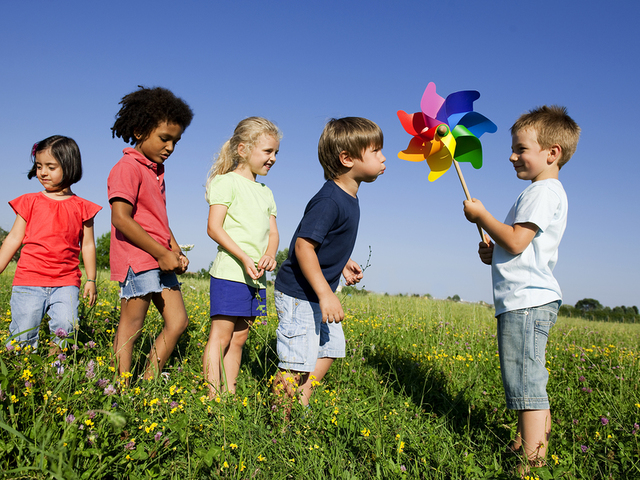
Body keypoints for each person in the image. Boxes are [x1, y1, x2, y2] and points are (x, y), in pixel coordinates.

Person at [463, 106, 580, 473]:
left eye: (520, 148)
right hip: (527, 298)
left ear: (552, 152)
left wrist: (483, 217)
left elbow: (515, 242)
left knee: (525, 381)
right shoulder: (542, 192)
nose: (512, 156)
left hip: (526, 300)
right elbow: (515, 246)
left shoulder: (542, 193)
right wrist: (492, 249)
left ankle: (531, 462)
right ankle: (527, 442)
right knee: (528, 375)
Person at [273, 117, 385, 410]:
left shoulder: (348, 197)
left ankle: (301, 399)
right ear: (347, 158)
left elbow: (320, 241)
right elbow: (302, 246)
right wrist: (326, 293)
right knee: (295, 362)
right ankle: (276, 423)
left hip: (316, 292)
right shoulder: (330, 200)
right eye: (375, 151)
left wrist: (344, 260)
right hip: (300, 294)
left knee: (332, 348)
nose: (383, 157)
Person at [108, 86, 193, 381]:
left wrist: (175, 249)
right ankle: (120, 387)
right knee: (132, 326)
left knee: (178, 321)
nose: (170, 147)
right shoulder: (127, 167)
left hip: (160, 258)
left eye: (176, 141)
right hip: (139, 259)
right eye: (164, 138)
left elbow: (158, 220)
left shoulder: (155, 171)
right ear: (140, 130)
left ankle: (149, 381)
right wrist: (161, 252)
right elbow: (121, 219)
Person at [0, 136, 101, 352]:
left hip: (66, 282)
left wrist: (91, 278)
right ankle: (20, 372)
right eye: (38, 166)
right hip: (29, 280)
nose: (42, 172)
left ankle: (56, 370)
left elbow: (88, 245)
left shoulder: (83, 207)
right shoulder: (29, 201)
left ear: (69, 166)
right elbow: (14, 238)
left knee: (66, 326)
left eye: (50, 167)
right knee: (23, 332)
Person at [203, 117, 281, 397]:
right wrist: (245, 257)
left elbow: (273, 233)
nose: (272, 159)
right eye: (267, 152)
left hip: (256, 278)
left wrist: (270, 254)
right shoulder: (226, 183)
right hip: (231, 273)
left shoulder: (266, 192)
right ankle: (213, 396)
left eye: (276, 153)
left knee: (239, 338)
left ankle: (229, 393)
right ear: (242, 149)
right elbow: (214, 227)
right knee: (221, 337)